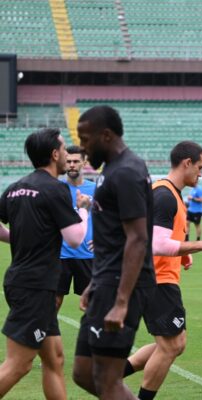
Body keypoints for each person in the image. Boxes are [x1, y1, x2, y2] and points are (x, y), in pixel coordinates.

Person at [122, 141, 202, 400]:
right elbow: (157, 244)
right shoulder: (165, 195)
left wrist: (184, 255)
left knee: (171, 344)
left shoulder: (169, 193)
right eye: (199, 167)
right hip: (156, 280)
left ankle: (112, 374)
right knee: (171, 346)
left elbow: (156, 237)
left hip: (157, 277)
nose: (201, 173)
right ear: (187, 163)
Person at [72, 105, 156, 400]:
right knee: (82, 372)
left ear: (105, 135)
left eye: (85, 139)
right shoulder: (112, 170)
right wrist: (95, 283)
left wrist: (120, 302)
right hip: (106, 281)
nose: (82, 148)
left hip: (124, 287)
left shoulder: (127, 172)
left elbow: (137, 239)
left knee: (108, 380)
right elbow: (113, 237)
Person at [0, 128, 89, 399]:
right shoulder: (56, 189)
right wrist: (83, 208)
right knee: (20, 364)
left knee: (55, 359)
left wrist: (17, 237)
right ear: (54, 154)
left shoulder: (16, 188)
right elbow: (74, 239)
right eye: (63, 150)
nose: (67, 155)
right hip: (35, 286)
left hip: (26, 281)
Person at [57, 145, 96, 312]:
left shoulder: (96, 189)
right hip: (60, 255)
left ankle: (93, 338)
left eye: (76, 161)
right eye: (69, 161)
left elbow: (109, 219)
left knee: (93, 306)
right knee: (53, 304)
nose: (71, 164)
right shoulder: (56, 188)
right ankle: (46, 337)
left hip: (88, 254)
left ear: (84, 162)